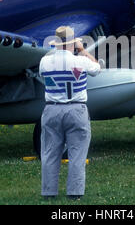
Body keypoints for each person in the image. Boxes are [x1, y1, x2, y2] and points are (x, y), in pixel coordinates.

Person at [39, 26, 101, 200]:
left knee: (50, 153)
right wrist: (82, 50)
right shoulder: (80, 61)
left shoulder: (45, 62)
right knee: (77, 154)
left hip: (51, 108)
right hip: (76, 109)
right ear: (72, 44)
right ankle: (74, 193)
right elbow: (97, 68)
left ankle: (49, 193)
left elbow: (44, 72)